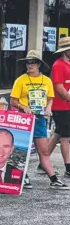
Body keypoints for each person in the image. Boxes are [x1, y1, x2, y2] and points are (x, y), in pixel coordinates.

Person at [10, 50, 69, 190]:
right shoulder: (21, 80)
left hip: (40, 119)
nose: (29, 65)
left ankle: (54, 179)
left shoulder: (46, 81)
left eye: (32, 62)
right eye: (27, 62)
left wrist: (49, 107)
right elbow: (13, 100)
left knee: (44, 151)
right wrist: (23, 107)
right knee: (22, 151)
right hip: (24, 119)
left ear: (38, 65)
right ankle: (21, 177)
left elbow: (50, 98)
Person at [49, 37, 70, 178]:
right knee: (66, 137)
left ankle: (43, 157)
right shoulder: (58, 65)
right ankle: (68, 167)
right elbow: (59, 87)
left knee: (59, 133)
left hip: (66, 106)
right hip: (61, 106)